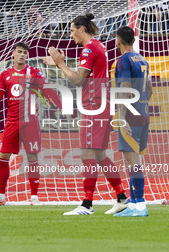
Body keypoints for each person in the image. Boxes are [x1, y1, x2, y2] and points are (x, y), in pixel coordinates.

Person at [41, 14, 129, 215]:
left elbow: (78, 80)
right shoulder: (97, 46)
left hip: (95, 105)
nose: (71, 35)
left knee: (87, 154)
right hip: (102, 104)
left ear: (82, 29)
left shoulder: (89, 48)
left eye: (72, 31)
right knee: (99, 154)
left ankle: (87, 204)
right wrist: (59, 64)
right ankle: (121, 197)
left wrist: (60, 63)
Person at [0, 42, 61, 206]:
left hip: (30, 121)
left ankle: (34, 197)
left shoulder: (34, 72)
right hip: (12, 121)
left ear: (27, 56)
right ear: (13, 54)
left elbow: (47, 89)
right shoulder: (5, 75)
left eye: (25, 53)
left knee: (32, 158)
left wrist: (60, 103)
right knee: (3, 157)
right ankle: (0, 196)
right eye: (19, 52)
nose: (22, 55)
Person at [113, 26, 152, 217]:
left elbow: (125, 89)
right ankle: (134, 204)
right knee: (134, 161)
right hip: (143, 114)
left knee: (132, 161)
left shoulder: (123, 60)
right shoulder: (142, 59)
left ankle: (140, 205)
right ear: (133, 41)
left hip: (130, 116)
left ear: (118, 41)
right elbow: (150, 89)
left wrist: (121, 117)